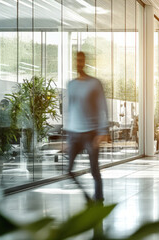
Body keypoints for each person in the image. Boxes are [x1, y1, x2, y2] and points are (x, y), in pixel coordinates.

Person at [64, 51, 109, 202]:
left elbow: (103, 106)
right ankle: (86, 197)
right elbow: (70, 109)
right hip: (74, 134)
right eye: (76, 60)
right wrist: (67, 137)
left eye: (81, 60)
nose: (78, 63)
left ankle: (99, 198)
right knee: (69, 171)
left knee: (94, 171)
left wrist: (102, 131)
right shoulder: (71, 84)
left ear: (85, 62)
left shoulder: (95, 83)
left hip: (91, 133)